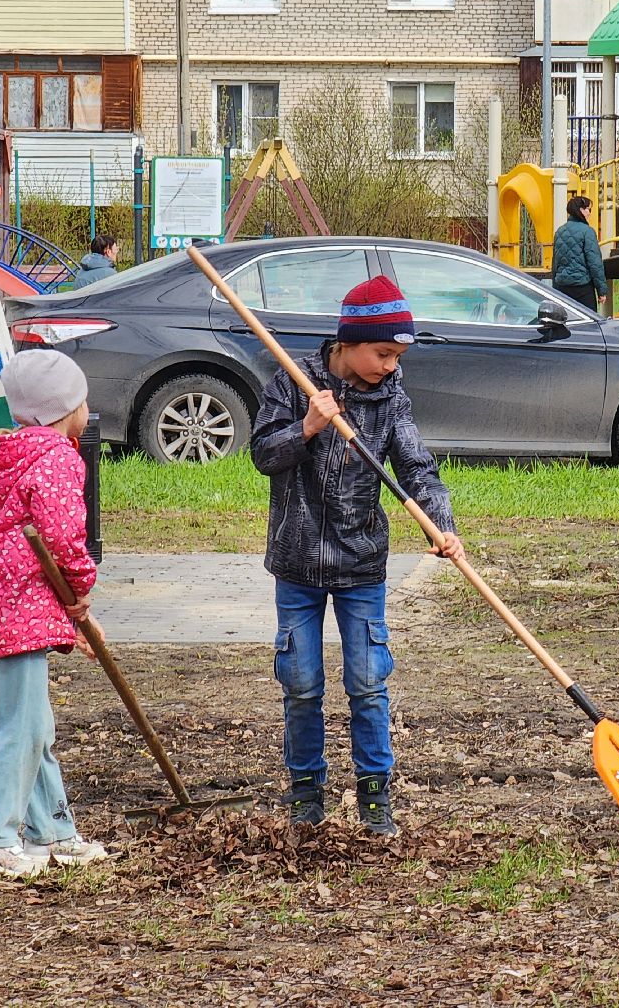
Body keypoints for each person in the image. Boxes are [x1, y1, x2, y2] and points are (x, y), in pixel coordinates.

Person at [251, 276, 465, 837]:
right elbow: (263, 456)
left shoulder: (391, 397)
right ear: (347, 342)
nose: (391, 365)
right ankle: (306, 794)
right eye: (383, 353)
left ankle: (375, 797)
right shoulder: (292, 382)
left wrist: (440, 525)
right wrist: (307, 427)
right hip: (296, 563)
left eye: (397, 356)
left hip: (361, 566)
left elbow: (416, 467)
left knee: (369, 683)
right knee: (300, 683)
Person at [0, 350, 108, 878]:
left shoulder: (15, 454)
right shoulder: (59, 458)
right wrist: (82, 587)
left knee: (34, 726)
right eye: (83, 398)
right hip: (20, 611)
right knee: (21, 731)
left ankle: (54, 833)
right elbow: (65, 537)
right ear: (67, 408)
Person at [550, 196, 608, 312]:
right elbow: (595, 263)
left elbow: (555, 261)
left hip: (562, 286)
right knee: (588, 323)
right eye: (588, 209)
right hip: (582, 287)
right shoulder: (587, 232)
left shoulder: (560, 231)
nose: (589, 213)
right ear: (581, 210)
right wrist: (601, 291)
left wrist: (555, 285)